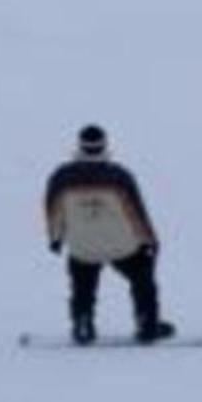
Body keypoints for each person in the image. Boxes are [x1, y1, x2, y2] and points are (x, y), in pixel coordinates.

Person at [43, 124, 174, 345]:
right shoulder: (119, 176)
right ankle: (147, 324)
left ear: (80, 146)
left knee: (82, 285)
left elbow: (53, 211)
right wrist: (149, 240)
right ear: (104, 145)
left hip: (83, 246)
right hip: (121, 246)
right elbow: (136, 213)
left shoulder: (61, 177)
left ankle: (82, 323)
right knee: (142, 280)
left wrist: (55, 238)